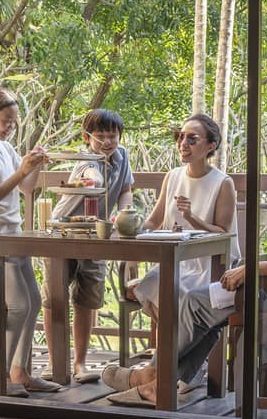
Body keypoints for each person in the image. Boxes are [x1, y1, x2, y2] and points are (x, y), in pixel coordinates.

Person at [104, 93, 267, 402]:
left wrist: (250, 269)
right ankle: (158, 382)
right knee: (208, 305)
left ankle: (152, 377)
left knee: (198, 302)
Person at [101, 112, 238, 395]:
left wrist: (193, 217)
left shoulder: (222, 183)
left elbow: (224, 233)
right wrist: (130, 230)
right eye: (180, 137)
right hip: (177, 261)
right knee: (152, 283)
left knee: (183, 295)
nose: (183, 143)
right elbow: (154, 220)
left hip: (211, 265)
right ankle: (184, 371)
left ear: (210, 146)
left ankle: (155, 375)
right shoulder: (173, 176)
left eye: (192, 138)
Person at [0, 87, 59, 397]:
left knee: (32, 303)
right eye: (6, 121)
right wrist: (21, 172)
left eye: (14, 122)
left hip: (12, 234)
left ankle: (20, 371)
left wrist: (33, 167)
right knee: (17, 306)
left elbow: (26, 189)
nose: (10, 127)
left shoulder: (4, 148)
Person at [49, 109, 135, 383]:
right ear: (87, 138)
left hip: (96, 236)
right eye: (100, 137)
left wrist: (125, 218)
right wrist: (92, 181)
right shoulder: (87, 160)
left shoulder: (122, 158)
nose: (107, 143)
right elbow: (92, 178)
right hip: (65, 232)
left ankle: (80, 363)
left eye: (113, 136)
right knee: (55, 299)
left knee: (87, 300)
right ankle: (55, 363)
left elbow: (125, 191)